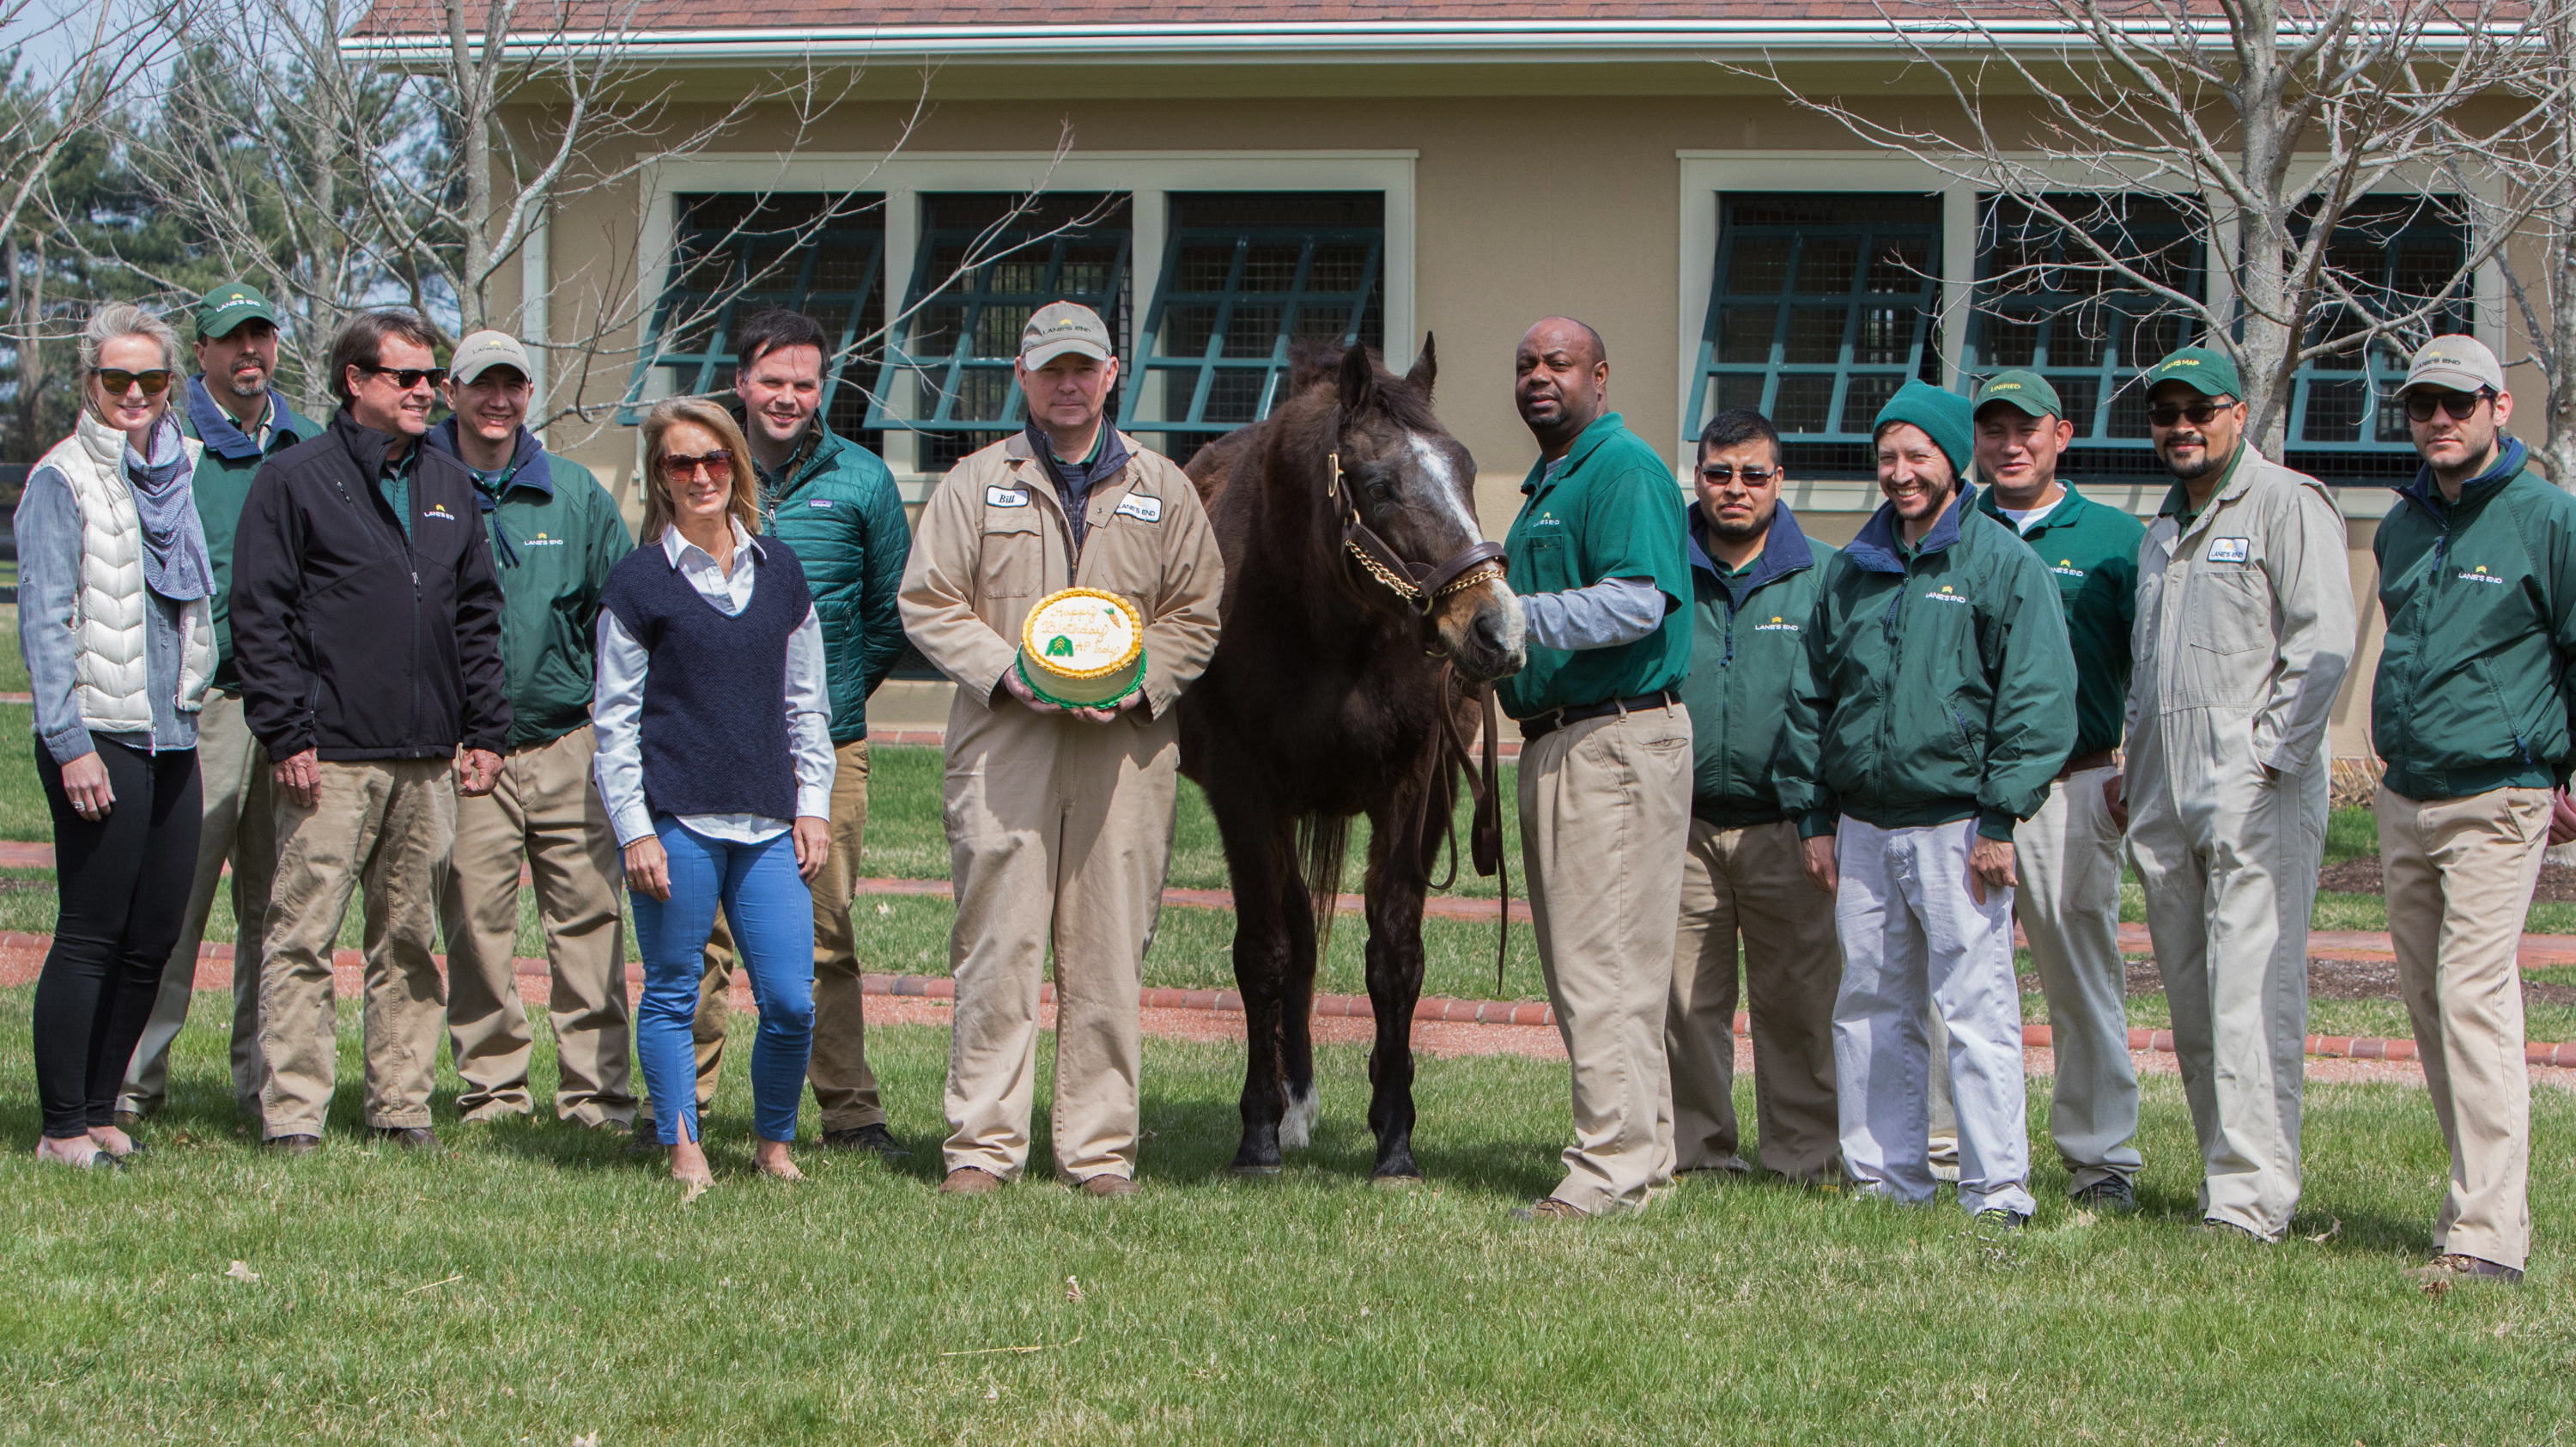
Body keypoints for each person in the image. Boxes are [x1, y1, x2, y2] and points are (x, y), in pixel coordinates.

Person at [899, 300, 1224, 1198]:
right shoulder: (974, 483)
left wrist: (1140, 682)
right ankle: (981, 1147)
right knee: (997, 943)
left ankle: (1099, 1152)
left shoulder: (1165, 489)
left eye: (1085, 367)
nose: (1069, 384)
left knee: (1111, 947)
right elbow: (928, 599)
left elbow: (1197, 612)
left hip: (1125, 750)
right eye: (1052, 369)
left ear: (1112, 374)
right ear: (1023, 377)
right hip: (1007, 742)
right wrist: (1007, 670)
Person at [1783, 379, 2075, 1227]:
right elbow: (1811, 696)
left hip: (1958, 827)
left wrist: (1999, 819)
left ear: (1952, 460)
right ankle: (1885, 1181)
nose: (1901, 472)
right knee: (1869, 1008)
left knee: (1976, 1010)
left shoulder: (2001, 564)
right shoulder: (1852, 568)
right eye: (1887, 456)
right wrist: (1815, 817)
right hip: (1863, 826)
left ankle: (1997, 1190)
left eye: (1918, 454)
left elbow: (2038, 698)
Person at [631, 309, 913, 1157]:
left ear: (822, 388)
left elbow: (888, 613)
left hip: (828, 749)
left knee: (824, 935)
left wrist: (826, 704)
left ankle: (849, 1110)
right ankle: (687, 1109)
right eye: (772, 380)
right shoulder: (697, 463)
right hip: (700, 758)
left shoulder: (862, 479)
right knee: (701, 945)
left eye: (804, 382)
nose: (788, 397)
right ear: (742, 382)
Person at [230, 307, 510, 1154]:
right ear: (355, 380)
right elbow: (261, 616)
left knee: (410, 938)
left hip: (427, 756)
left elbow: (476, 617)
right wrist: (288, 733)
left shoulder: (449, 481)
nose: (427, 391)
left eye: (432, 377)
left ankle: (400, 1105)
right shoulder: (295, 479)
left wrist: (486, 728)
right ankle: (294, 1113)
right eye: (407, 376)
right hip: (330, 753)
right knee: (302, 934)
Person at [2116, 345, 2355, 1243]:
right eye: (2165, 413)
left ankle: (2254, 1199)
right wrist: (2134, 762)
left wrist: (2268, 758)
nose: (2182, 427)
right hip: (2163, 791)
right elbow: (2148, 668)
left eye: (2200, 411)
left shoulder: (2287, 503)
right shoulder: (2160, 529)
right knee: (2191, 1000)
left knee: (2252, 994)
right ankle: (2226, 1174)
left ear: (2238, 413)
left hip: (2254, 790)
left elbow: (2323, 643)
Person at [2369, 335, 2567, 1285]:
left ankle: (2489, 1236)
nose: (2439, 420)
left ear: (2500, 407)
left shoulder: (2548, 519)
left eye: (2458, 402)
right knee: (2430, 1005)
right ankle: (2475, 1203)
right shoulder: (2402, 524)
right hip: (2406, 793)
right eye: (2423, 405)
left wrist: (2563, 773)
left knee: (2471, 997)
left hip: (2498, 794)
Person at [595, 398, 830, 1188]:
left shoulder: (781, 571)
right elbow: (614, 723)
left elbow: (807, 705)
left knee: (790, 1000)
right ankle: (684, 1149)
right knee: (674, 992)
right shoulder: (638, 582)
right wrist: (635, 829)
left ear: (736, 464)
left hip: (768, 821)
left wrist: (813, 805)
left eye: (715, 458)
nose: (701, 475)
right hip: (676, 820)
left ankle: (773, 1146)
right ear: (660, 477)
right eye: (681, 462)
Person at [1932, 369, 2150, 1212]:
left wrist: (2136, 763)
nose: (2009, 445)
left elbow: (2151, 661)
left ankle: (2100, 1158)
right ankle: (1950, 1151)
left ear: (2062, 435)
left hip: (2070, 786)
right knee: (1952, 979)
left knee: (2080, 977)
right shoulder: (1948, 526)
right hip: (1958, 792)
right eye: (1992, 430)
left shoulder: (2115, 538)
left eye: (2027, 429)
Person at [1498, 318, 1693, 1220]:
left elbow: (1637, 602)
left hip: (1613, 737)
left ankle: (1606, 1170)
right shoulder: (1554, 481)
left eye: (1559, 363)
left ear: (1600, 376)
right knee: (1606, 964)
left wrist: (1511, 616)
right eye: (1526, 365)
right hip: (1564, 737)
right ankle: (1643, 1160)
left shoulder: (1623, 469)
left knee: (1602, 965)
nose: (1539, 376)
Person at [16, 303, 217, 1166]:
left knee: (155, 932)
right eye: (116, 377)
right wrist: (69, 744)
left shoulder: (177, 471)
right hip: (101, 728)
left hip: (172, 729)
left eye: (151, 377)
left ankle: (101, 1109)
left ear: (171, 383)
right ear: (90, 383)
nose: (135, 392)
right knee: (92, 930)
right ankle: (60, 1126)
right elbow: (44, 622)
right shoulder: (60, 479)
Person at [114, 283, 319, 1128]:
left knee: (278, 910)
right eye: (232, 339)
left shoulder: (309, 443)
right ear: (199, 352)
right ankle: (129, 1083)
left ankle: (267, 1087)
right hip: (200, 704)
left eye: (261, 335)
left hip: (293, 711)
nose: (249, 352)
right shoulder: (167, 443)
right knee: (171, 899)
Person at [424, 331, 638, 1129]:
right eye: (482, 385)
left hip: (565, 741)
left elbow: (622, 617)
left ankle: (597, 1096)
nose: (498, 400)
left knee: (588, 921)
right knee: (475, 924)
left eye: (512, 385)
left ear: (528, 393)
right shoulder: (422, 486)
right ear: (451, 392)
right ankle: (493, 1090)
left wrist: (612, 729)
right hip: (464, 752)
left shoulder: (575, 495)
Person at [1664, 408, 1841, 1185]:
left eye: (1753, 474)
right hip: (1683, 824)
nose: (1735, 488)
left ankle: (1806, 1155)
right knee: (1684, 1001)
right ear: (1697, 478)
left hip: (1788, 826)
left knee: (1800, 1000)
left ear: (1779, 480)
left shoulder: (1826, 575)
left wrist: (1820, 811)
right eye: (1718, 473)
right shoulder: (1660, 566)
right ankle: (1699, 1148)